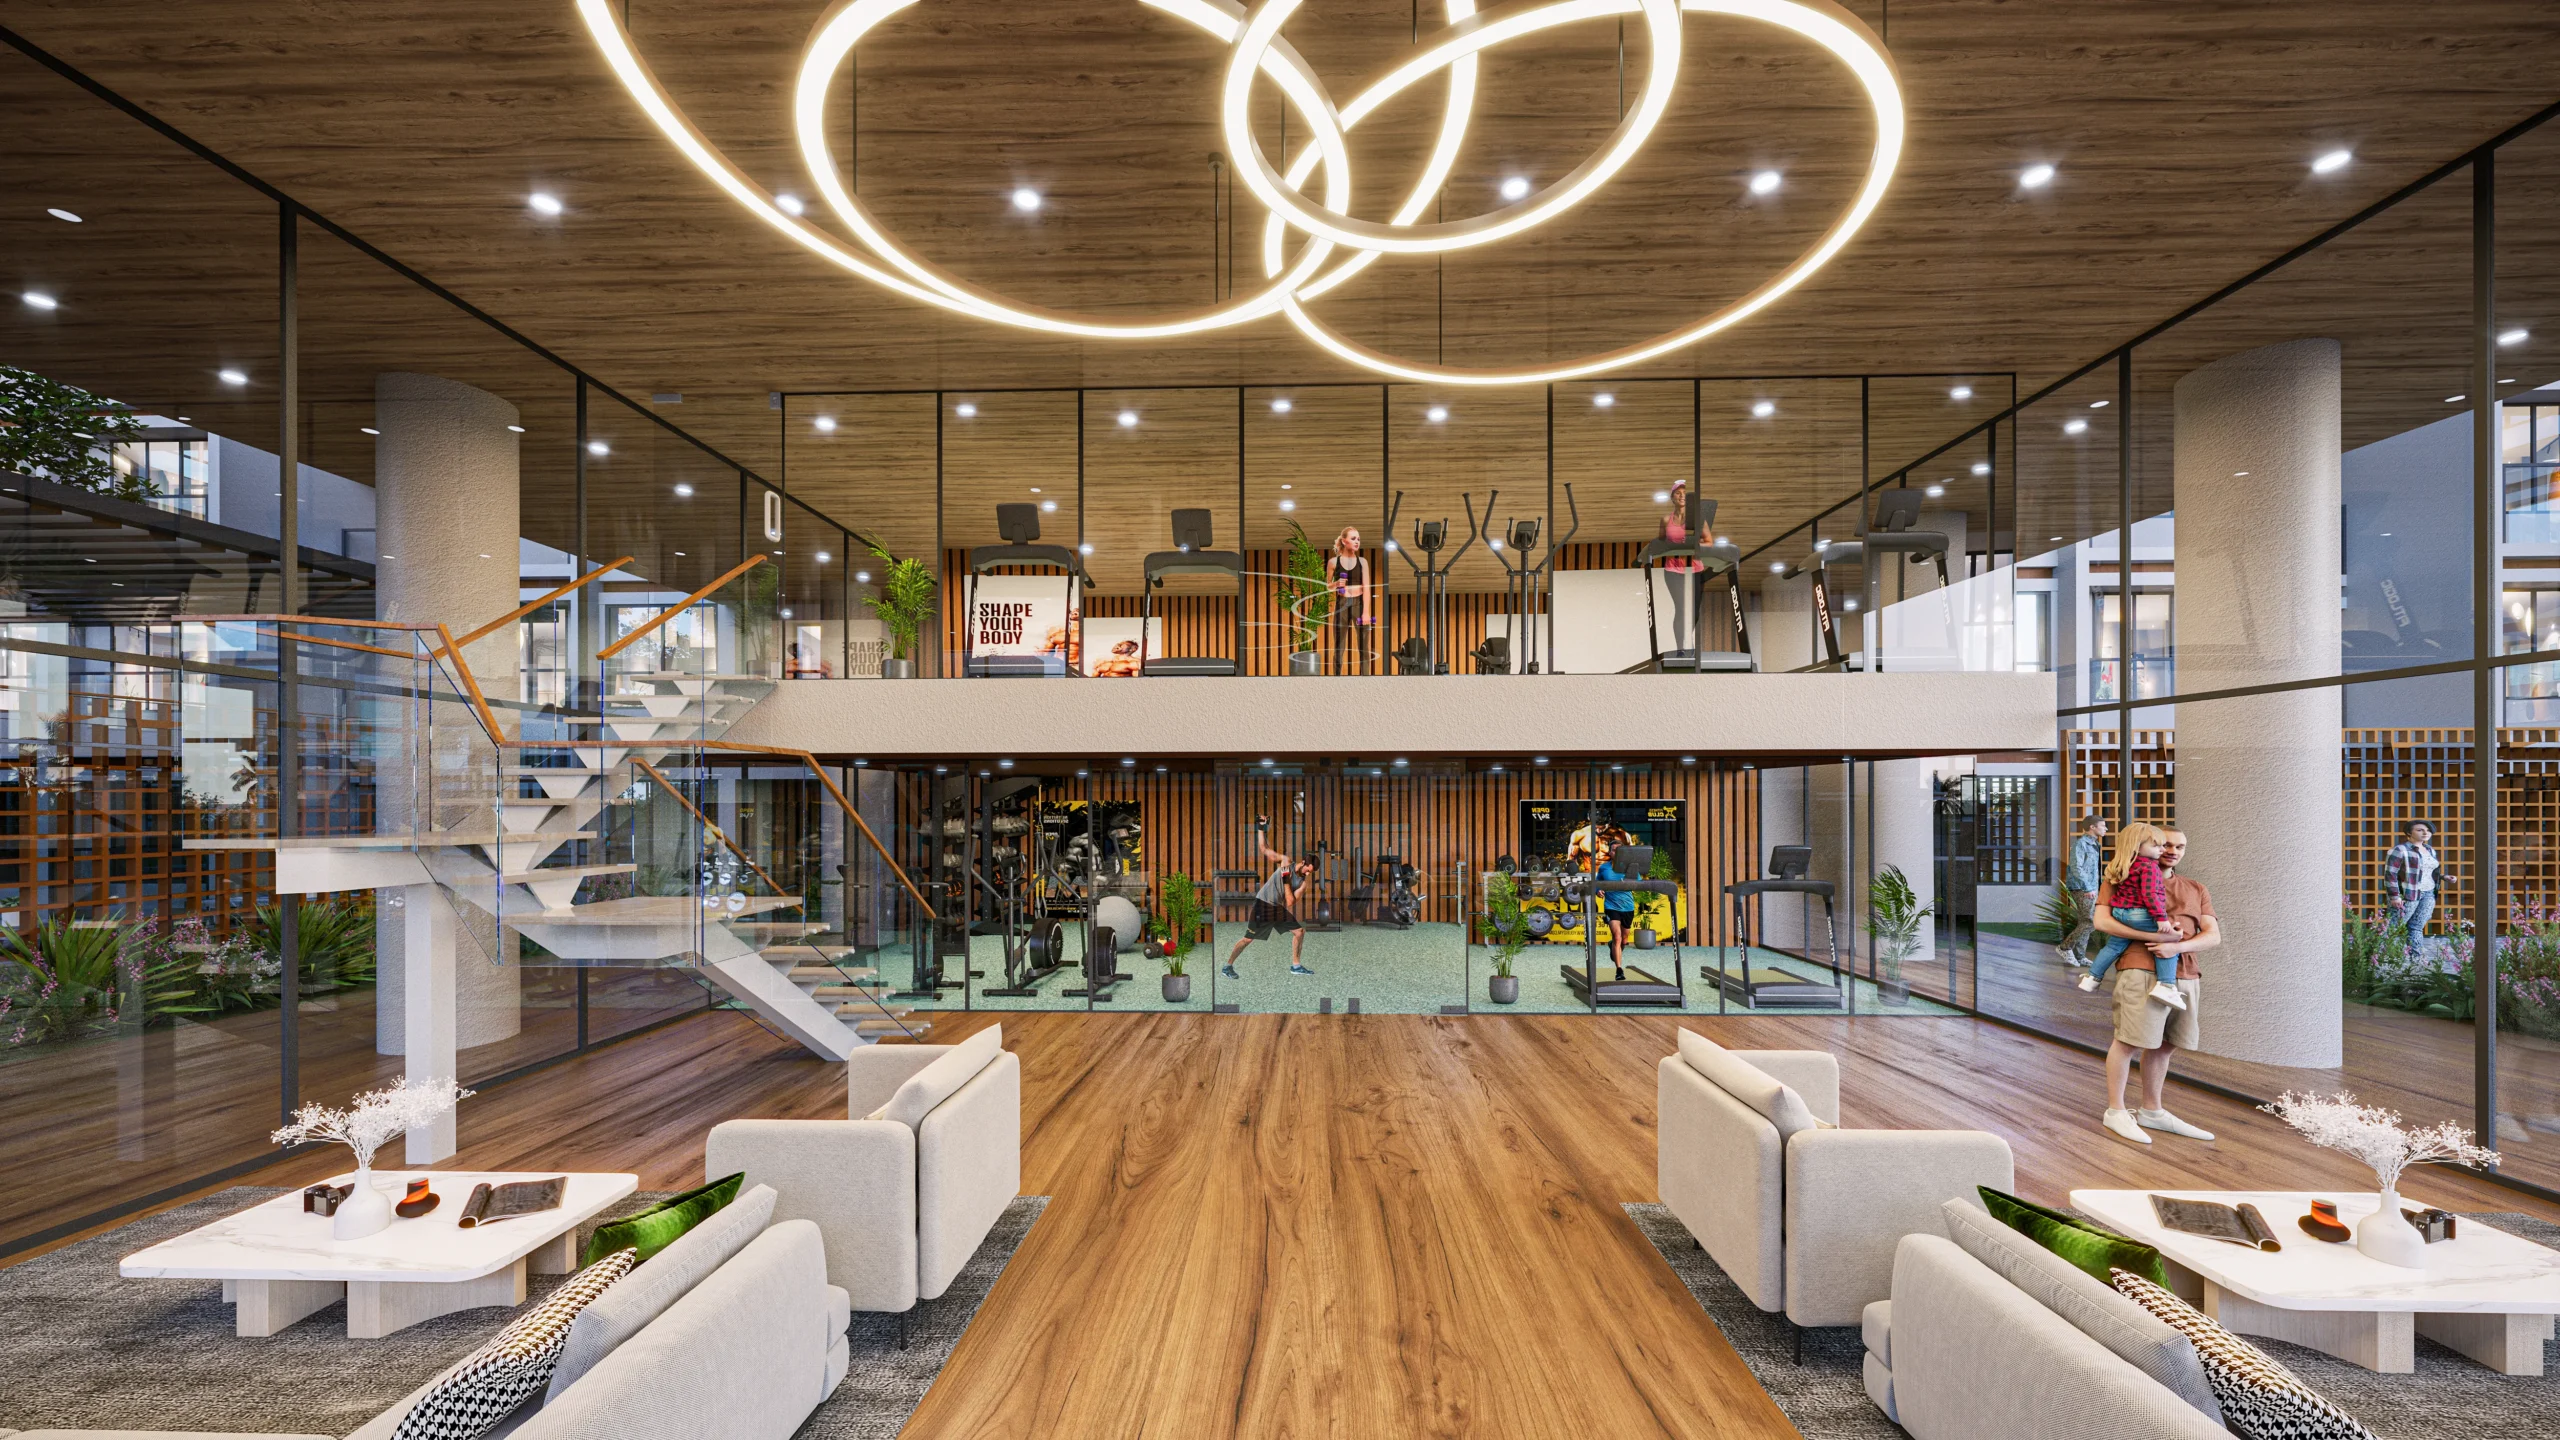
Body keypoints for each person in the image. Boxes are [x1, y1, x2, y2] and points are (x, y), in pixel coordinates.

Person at [2095, 827, 2219, 1145]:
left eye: (2180, 846)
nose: (2172, 851)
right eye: (2166, 844)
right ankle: (2115, 1111)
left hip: (2186, 974)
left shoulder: (2196, 888)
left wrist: (2176, 947)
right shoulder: (2120, 879)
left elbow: (2212, 936)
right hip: (2140, 970)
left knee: (2166, 1045)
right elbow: (2102, 922)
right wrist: (2155, 937)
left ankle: (2152, 1111)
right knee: (2128, 1041)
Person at [2077, 822, 2183, 1011]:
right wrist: (2161, 919)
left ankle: (2092, 977)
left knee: (2114, 946)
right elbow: (2151, 894)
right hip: (2139, 914)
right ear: (2137, 846)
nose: (2162, 850)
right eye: (2157, 846)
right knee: (2168, 940)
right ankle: (2166, 985)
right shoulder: (2150, 867)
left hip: (2121, 913)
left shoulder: (2125, 865)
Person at [1222, 822, 1318, 979]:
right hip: (1263, 904)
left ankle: (1296, 966)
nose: (1307, 874)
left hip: (1277, 908)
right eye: (1308, 870)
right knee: (1248, 939)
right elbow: (1264, 849)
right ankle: (1228, 966)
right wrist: (1261, 828)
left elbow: (1290, 902)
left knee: (1299, 932)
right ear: (1303, 863)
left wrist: (1286, 881)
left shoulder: (1302, 884)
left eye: (1311, 873)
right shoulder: (1285, 861)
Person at [1658, 481, 1711, 654]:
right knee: (1681, 609)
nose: (1681, 496)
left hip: (1695, 569)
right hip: (1673, 570)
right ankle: (1682, 647)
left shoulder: (1698, 520)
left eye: (1684, 493)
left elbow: (1709, 542)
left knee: (1694, 611)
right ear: (1672, 497)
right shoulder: (1665, 520)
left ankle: (1687, 640)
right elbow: (1661, 543)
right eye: (1677, 493)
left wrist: (1692, 545)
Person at [2057, 814, 2108, 966]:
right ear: (2092, 827)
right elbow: (2076, 867)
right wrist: (2088, 887)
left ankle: (2080, 956)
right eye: (2103, 826)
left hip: (2091, 888)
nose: (2106, 829)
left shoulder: (2094, 844)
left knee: (2085, 921)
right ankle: (2065, 947)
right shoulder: (2081, 844)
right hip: (2083, 888)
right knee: (2090, 921)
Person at [2381, 819, 2439, 948]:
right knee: (2392, 927)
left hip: (2429, 893)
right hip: (2408, 894)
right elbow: (2390, 874)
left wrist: (2444, 877)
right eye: (2420, 830)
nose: (2425, 833)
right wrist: (2394, 896)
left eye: (2428, 830)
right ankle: (2374, 955)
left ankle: (2415, 957)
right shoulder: (2400, 850)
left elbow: (2427, 872)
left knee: (2417, 927)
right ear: (2409, 833)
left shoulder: (2430, 850)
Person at [1592, 827, 1639, 979]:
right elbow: (1596, 883)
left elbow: (1638, 883)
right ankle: (1619, 970)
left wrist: (1631, 882)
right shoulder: (1604, 868)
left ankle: (1614, 947)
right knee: (1617, 937)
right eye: (1614, 850)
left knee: (1624, 940)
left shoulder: (1630, 868)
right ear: (1610, 853)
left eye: (1619, 851)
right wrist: (1598, 890)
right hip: (1611, 906)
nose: (1616, 853)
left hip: (1628, 906)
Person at [1327, 527, 1374, 675]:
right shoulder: (1333, 562)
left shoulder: (1363, 562)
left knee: (1364, 646)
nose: (1357, 542)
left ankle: (1365, 679)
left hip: (1359, 604)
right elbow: (1328, 586)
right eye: (1353, 538)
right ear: (1344, 541)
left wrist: (1366, 612)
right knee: (1339, 646)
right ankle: (1337, 678)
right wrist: (1336, 584)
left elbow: (1367, 588)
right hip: (1341, 604)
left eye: (1358, 539)